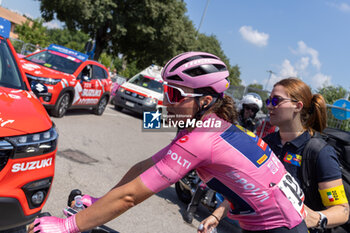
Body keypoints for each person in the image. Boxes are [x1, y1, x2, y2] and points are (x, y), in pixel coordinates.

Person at [28, 52, 308, 233]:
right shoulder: (209, 126)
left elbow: (131, 196)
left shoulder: (201, 139)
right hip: (279, 221)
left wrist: (67, 225)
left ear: (206, 101)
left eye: (174, 95)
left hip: (279, 228)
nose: (164, 102)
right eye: (164, 91)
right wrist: (100, 201)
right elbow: (146, 165)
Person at [262, 78, 349, 233]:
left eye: (276, 100)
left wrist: (314, 218)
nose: (269, 106)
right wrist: (217, 215)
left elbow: (342, 211)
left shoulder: (319, 152)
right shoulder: (267, 143)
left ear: (298, 106)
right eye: (269, 100)